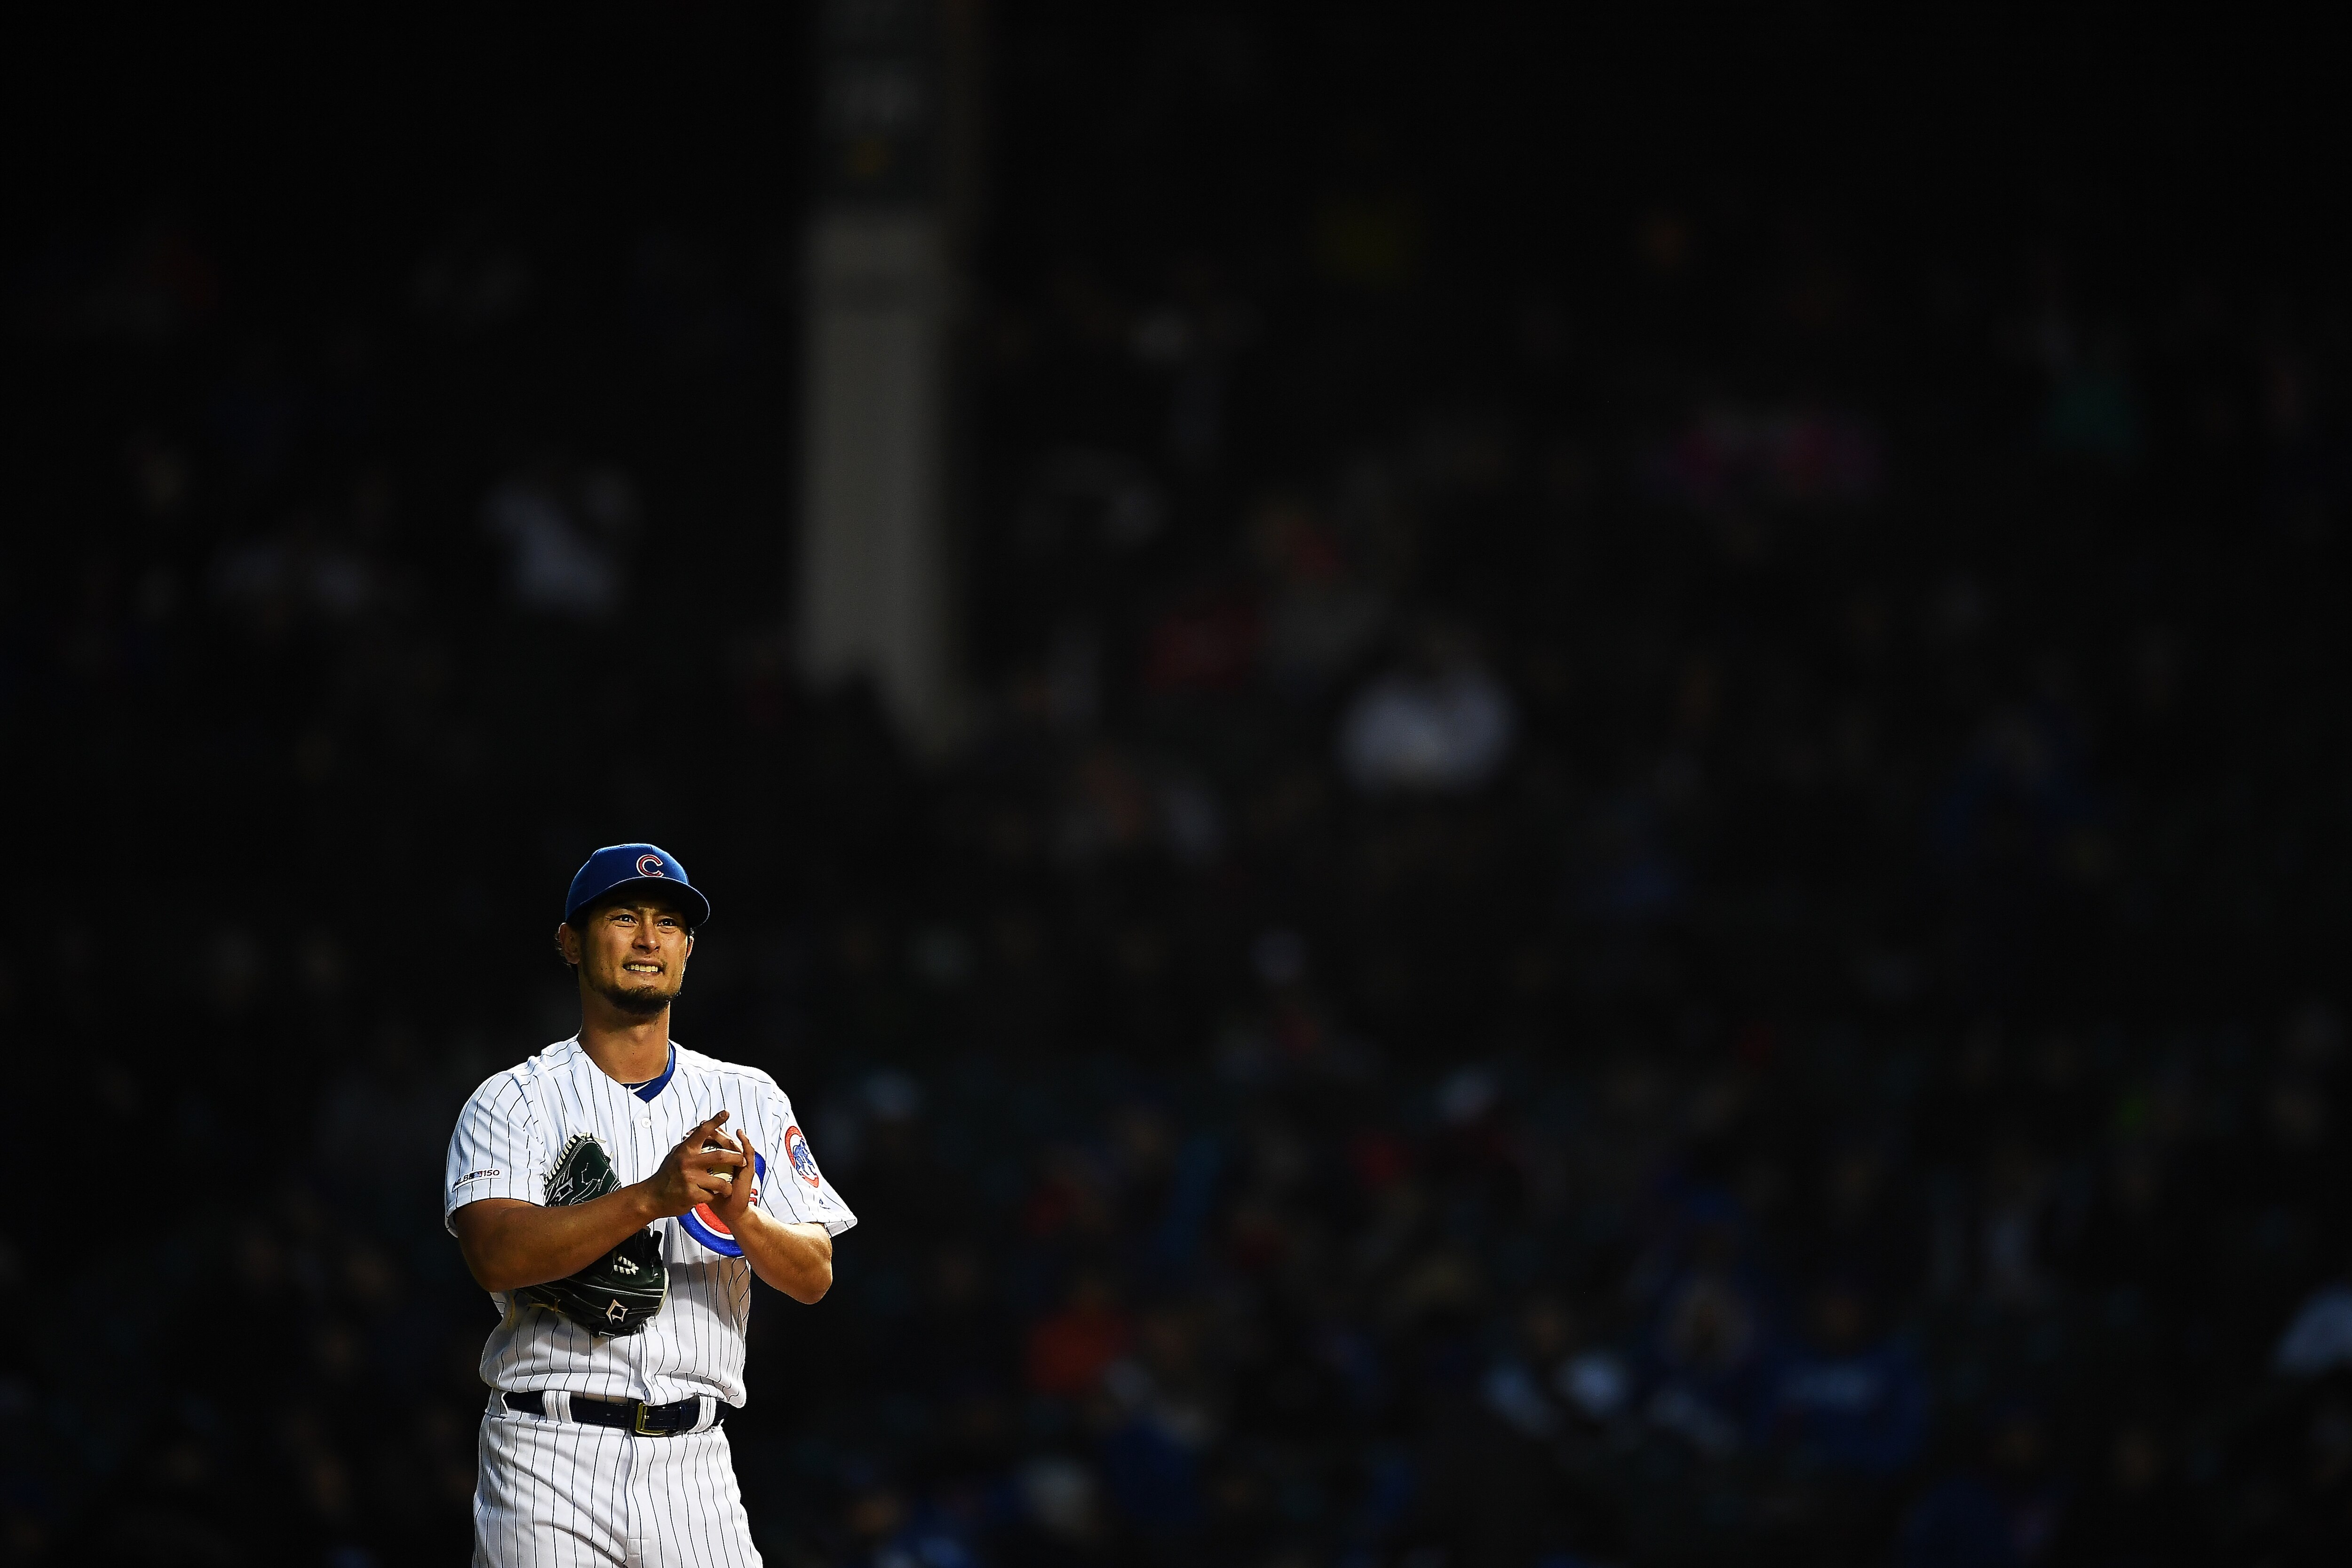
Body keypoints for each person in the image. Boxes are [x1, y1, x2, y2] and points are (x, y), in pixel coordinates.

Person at [444, 843, 857, 1566]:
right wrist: (649, 1199)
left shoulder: (748, 1095)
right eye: (624, 917)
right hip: (549, 1451)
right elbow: (494, 1255)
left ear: (688, 949)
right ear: (570, 941)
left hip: (695, 1464)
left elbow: (815, 1273)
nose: (647, 938)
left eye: (668, 923)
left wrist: (746, 1220)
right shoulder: (512, 1099)